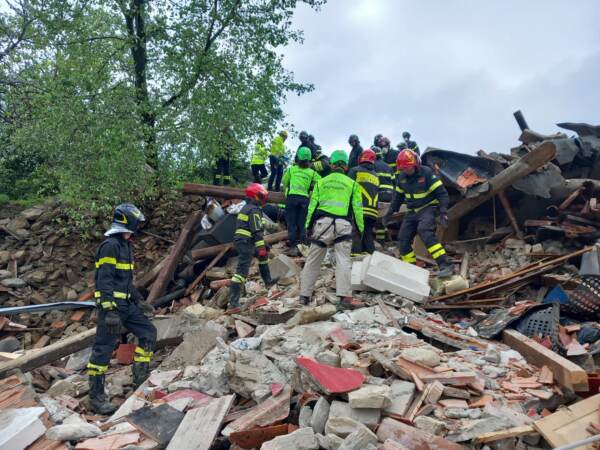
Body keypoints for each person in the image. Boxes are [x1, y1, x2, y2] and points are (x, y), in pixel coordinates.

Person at [87, 204, 157, 414]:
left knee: (148, 332)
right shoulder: (110, 245)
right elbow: (103, 280)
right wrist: (108, 311)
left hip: (127, 306)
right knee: (103, 351)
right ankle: (96, 398)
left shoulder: (126, 245)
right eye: (137, 221)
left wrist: (138, 299)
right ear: (128, 221)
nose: (140, 225)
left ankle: (140, 379)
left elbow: (124, 281)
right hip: (113, 310)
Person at [299, 150, 365, 309]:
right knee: (343, 260)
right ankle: (344, 298)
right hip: (343, 225)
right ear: (346, 166)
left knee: (313, 260)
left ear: (332, 164)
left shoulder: (321, 182)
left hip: (323, 224)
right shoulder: (353, 184)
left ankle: (304, 296)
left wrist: (308, 227)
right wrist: (360, 231)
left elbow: (312, 207)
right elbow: (357, 209)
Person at [384, 150, 453, 277]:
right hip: (412, 212)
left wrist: (443, 211)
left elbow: (442, 194)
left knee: (424, 231)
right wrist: (390, 212)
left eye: (409, 168)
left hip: (428, 208)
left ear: (416, 164)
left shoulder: (426, 173)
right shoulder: (401, 178)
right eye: (404, 168)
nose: (407, 171)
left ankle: (445, 264)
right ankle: (410, 270)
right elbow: (397, 198)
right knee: (403, 240)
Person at [228, 183, 278, 311]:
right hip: (246, 242)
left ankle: (268, 281)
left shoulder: (246, 208)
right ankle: (233, 304)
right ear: (254, 196)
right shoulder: (254, 210)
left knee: (263, 257)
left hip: (244, 240)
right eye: (261, 196)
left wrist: (262, 247)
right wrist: (261, 247)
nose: (263, 199)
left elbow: (251, 229)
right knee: (241, 273)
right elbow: (256, 231)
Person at [282, 147, 320, 255]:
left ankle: (294, 247)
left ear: (298, 157)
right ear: (309, 160)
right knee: (302, 224)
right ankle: (303, 246)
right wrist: (312, 192)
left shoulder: (292, 169)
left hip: (292, 198)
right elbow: (320, 183)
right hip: (304, 199)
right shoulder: (312, 172)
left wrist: (286, 191)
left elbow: (284, 181)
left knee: (291, 224)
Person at [348, 149, 380, 255]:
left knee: (356, 232)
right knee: (367, 233)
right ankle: (371, 256)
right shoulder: (375, 175)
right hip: (373, 211)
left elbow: (349, 189)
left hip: (359, 208)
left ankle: (355, 255)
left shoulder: (355, 171)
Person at [373, 146, 394, 242]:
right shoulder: (389, 167)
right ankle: (384, 238)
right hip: (390, 196)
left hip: (379, 195)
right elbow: (395, 182)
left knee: (377, 221)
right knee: (382, 220)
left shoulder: (373, 166)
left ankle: (379, 242)